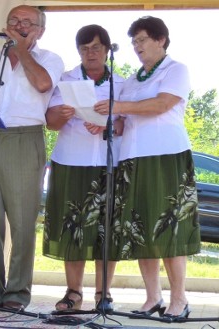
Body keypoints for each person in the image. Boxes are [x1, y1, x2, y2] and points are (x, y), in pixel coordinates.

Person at [94, 16, 200, 320]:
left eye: (141, 40)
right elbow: (125, 121)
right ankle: (153, 297)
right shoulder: (133, 78)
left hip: (167, 156)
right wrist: (104, 123)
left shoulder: (176, 69)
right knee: (139, 227)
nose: (136, 47)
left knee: (169, 228)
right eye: (134, 42)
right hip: (133, 157)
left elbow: (160, 105)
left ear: (161, 40)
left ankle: (179, 299)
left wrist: (119, 109)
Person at [0, 5, 64, 310]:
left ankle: (17, 293)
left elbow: (42, 84)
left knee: (22, 223)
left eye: (27, 23)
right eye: (14, 21)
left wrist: (22, 49)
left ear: (41, 30)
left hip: (26, 139)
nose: (19, 26)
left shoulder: (50, 59)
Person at [42, 24, 125, 312]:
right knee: (72, 229)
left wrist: (109, 124)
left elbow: (127, 124)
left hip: (108, 164)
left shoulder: (121, 83)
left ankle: (104, 294)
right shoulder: (66, 81)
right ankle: (73, 292)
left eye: (96, 48)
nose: (90, 53)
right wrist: (62, 115)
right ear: (78, 51)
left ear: (106, 50)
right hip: (70, 162)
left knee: (107, 230)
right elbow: (50, 122)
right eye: (84, 48)